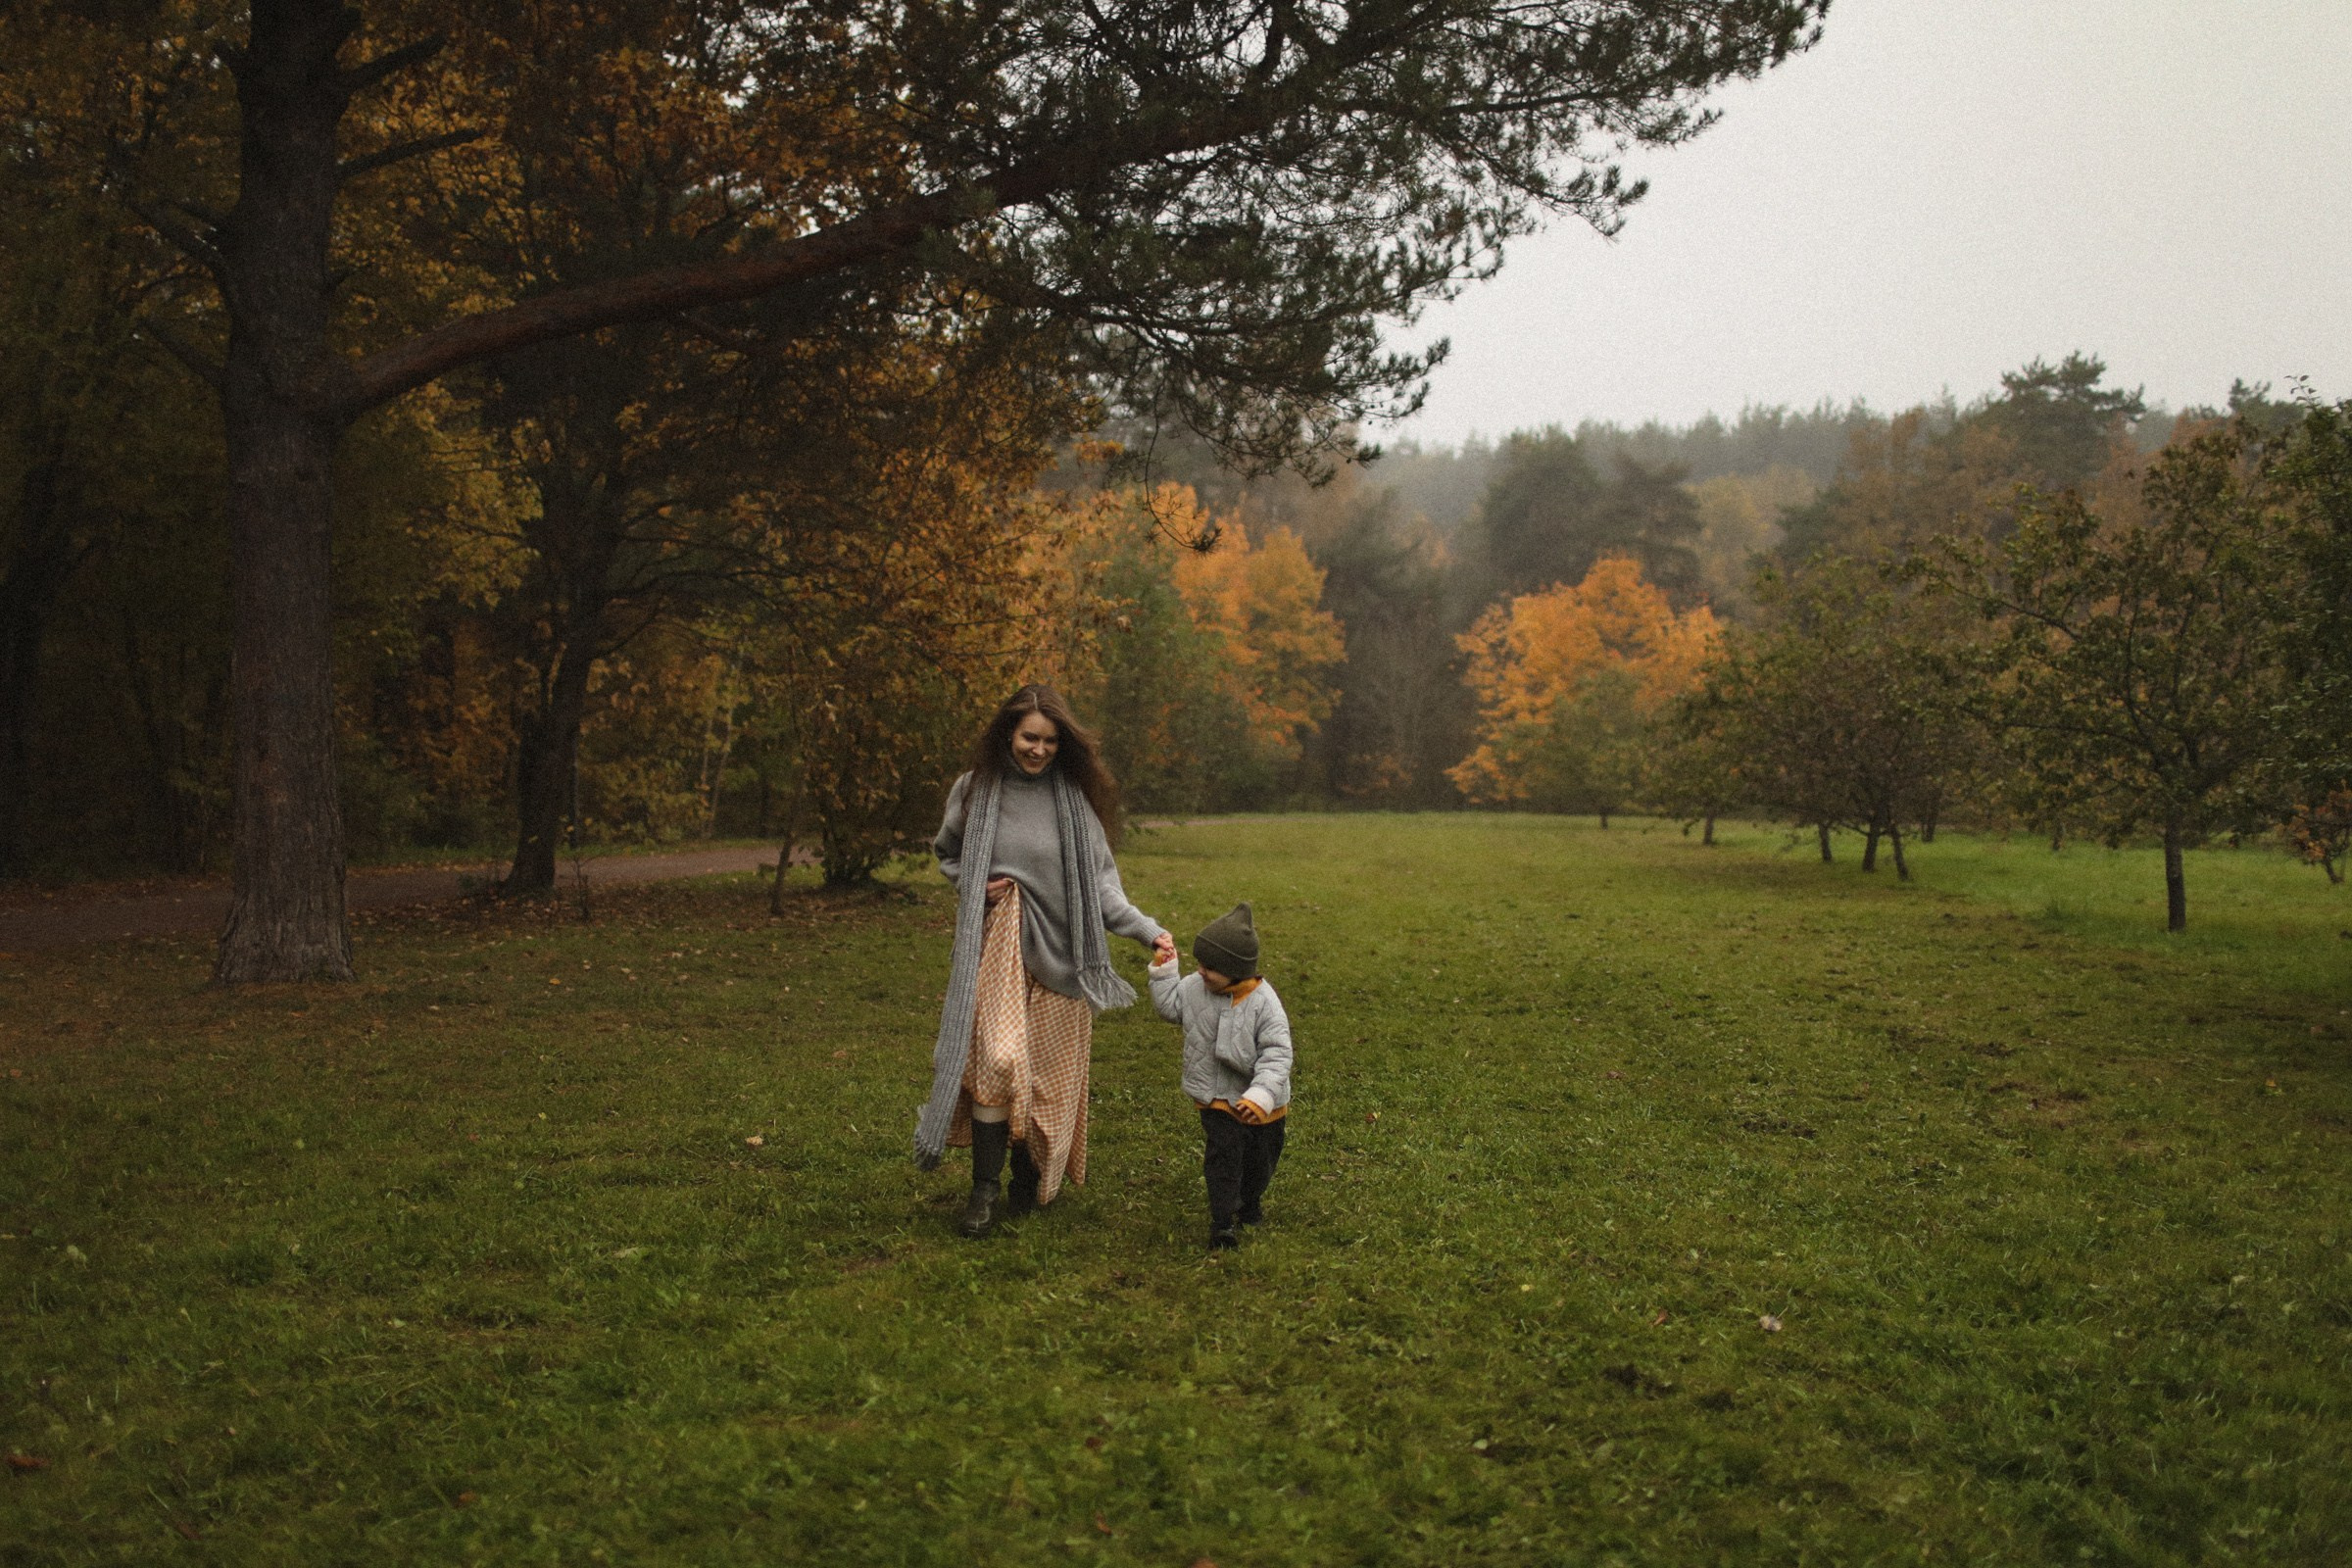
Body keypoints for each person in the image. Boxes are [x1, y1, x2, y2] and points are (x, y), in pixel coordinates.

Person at [914, 685, 1174, 1237]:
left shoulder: (1075, 803)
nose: (1039, 749)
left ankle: (1026, 1180)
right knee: (998, 1062)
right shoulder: (973, 791)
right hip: (999, 952)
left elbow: (1103, 888)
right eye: (1030, 736)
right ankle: (983, 1190)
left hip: (1067, 958)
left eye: (1051, 740)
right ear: (1008, 732)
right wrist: (974, 886)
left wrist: (1148, 931)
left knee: (1050, 1082)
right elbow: (947, 854)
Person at [1147, 902, 1294, 1250]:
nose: (1201, 972)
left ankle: (1251, 1201)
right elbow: (1171, 1007)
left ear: (1236, 969)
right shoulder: (1196, 988)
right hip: (1215, 1097)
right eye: (1199, 963)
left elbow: (1278, 1054)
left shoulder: (1265, 1004)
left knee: (1260, 1161)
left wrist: (1260, 1096)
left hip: (1261, 1104)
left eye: (1210, 967)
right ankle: (1222, 1221)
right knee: (1222, 1157)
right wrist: (1165, 971)